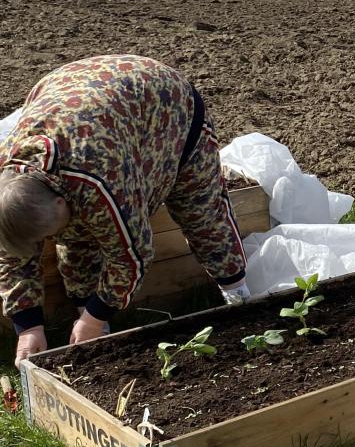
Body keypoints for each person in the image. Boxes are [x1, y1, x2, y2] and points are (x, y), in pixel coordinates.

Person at [0, 55, 251, 362]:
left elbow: (132, 254)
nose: (52, 241)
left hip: (162, 100)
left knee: (199, 210)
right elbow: (12, 255)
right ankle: (95, 339)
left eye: (52, 234)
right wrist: (28, 326)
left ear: (60, 200)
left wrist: (94, 317)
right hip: (79, 97)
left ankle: (242, 301)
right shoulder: (8, 188)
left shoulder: (98, 176)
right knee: (78, 240)